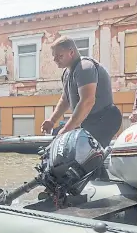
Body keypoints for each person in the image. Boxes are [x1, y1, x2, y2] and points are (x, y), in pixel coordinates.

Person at [41, 36, 122, 178]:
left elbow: (87, 101)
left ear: (71, 52)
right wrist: (52, 120)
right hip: (88, 120)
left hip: (105, 118)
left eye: (59, 56)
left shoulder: (85, 67)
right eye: (54, 57)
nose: (55, 60)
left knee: (88, 155)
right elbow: (65, 99)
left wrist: (66, 130)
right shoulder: (67, 73)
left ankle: (100, 188)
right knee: (76, 154)